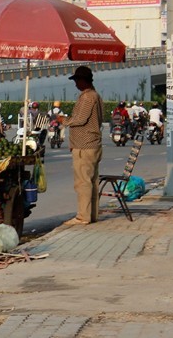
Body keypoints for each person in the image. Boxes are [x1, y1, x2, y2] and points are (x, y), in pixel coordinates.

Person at [58, 66, 104, 226]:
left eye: (77, 80)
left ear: (83, 80)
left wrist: (63, 121)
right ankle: (91, 214)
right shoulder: (95, 96)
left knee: (83, 182)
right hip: (92, 144)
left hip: (85, 145)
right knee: (91, 181)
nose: (76, 84)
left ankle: (83, 217)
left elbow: (80, 119)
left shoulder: (87, 97)